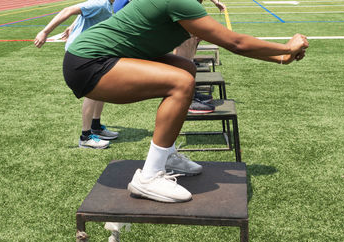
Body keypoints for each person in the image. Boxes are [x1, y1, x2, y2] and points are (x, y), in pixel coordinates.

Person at [63, 0, 308, 203]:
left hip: (102, 56)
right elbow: (235, 43)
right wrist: (285, 48)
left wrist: (280, 57)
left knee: (185, 67)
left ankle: (166, 155)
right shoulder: (179, 0)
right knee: (181, 82)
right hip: (88, 62)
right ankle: (148, 177)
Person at [34, 0, 119, 149]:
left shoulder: (107, 4)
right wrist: (45, 32)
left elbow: (83, 14)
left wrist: (72, 26)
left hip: (92, 51)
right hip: (81, 54)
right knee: (93, 91)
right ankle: (85, 137)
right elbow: (68, 10)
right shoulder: (100, 3)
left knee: (102, 87)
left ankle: (96, 127)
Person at [173, 0, 227, 114]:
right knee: (185, 42)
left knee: (192, 40)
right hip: (180, 8)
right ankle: (186, 98)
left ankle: (189, 92)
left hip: (186, 7)